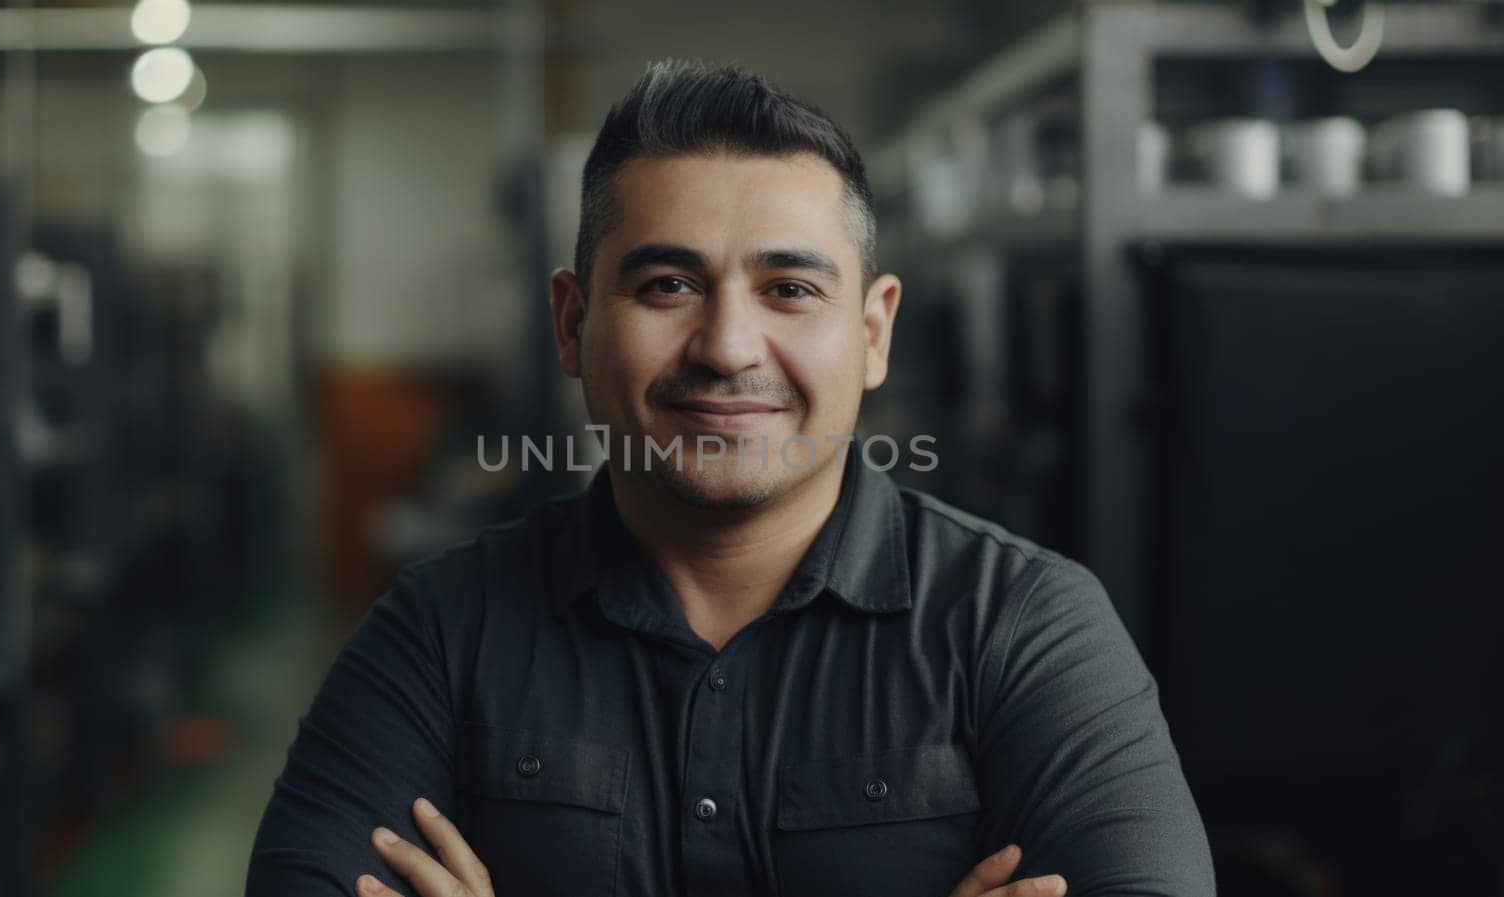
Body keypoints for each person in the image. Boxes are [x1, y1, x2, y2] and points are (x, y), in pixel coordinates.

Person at [246, 60, 1216, 897]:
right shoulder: (439, 633)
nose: (726, 347)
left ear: (871, 332)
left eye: (789, 290)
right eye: (667, 285)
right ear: (570, 323)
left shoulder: (1023, 627)